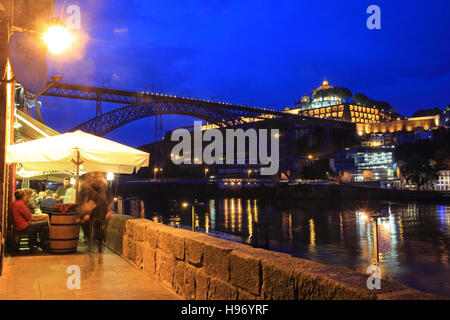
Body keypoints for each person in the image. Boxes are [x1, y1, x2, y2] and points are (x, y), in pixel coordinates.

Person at [78, 173, 113, 252]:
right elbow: (90, 198)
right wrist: (87, 212)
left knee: (101, 229)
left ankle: (99, 246)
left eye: (100, 176)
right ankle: (91, 243)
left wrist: (109, 211)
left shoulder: (105, 187)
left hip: (103, 210)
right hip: (94, 211)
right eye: (97, 176)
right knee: (91, 227)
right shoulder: (92, 186)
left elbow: (110, 198)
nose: (98, 178)